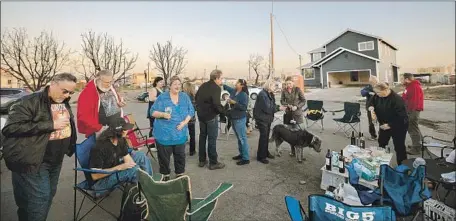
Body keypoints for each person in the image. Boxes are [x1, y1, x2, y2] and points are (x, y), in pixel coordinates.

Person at [2, 73, 78, 221]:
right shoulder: (28, 101)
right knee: (40, 200)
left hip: (56, 160)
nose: (67, 95)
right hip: (35, 160)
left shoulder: (63, 100)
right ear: (53, 84)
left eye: (71, 92)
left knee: (46, 195)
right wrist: (50, 125)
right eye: (65, 91)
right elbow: (10, 128)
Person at [89, 117, 153, 190]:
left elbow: (127, 158)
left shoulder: (120, 139)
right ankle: (140, 191)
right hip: (101, 182)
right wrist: (120, 167)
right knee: (134, 170)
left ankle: (149, 184)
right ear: (118, 132)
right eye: (125, 129)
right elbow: (95, 175)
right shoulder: (99, 148)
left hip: (115, 168)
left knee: (140, 155)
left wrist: (132, 165)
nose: (128, 130)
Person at [150, 76, 195, 181]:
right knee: (164, 158)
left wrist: (184, 123)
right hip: (164, 134)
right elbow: (152, 112)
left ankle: (179, 174)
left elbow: (191, 111)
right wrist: (163, 114)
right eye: (175, 84)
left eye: (179, 84)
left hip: (180, 133)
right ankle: (165, 174)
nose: (177, 86)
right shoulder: (162, 97)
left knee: (180, 156)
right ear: (170, 86)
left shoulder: (184, 97)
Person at [368, 82, 409, 165]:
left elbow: (402, 117)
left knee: (399, 147)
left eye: (378, 92)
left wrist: (390, 125)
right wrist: (371, 108)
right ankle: (381, 164)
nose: (376, 94)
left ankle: (402, 167)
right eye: (376, 93)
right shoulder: (377, 96)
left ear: (385, 90)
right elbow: (371, 102)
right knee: (382, 143)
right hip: (383, 124)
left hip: (398, 126)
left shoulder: (397, 99)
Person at [77, 70, 126, 138]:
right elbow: (83, 117)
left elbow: (113, 101)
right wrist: (100, 128)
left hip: (115, 127)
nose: (109, 84)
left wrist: (119, 103)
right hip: (101, 131)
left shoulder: (110, 87)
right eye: (106, 82)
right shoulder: (87, 93)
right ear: (97, 80)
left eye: (111, 82)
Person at [195, 69, 226, 170]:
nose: (222, 80)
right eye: (221, 78)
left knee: (203, 137)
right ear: (216, 78)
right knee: (212, 139)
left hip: (201, 116)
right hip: (211, 117)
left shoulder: (203, 85)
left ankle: (202, 160)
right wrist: (224, 112)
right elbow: (216, 104)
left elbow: (196, 98)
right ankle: (213, 162)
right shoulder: (216, 88)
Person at [223, 79, 250, 165]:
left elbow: (244, 108)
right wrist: (222, 83)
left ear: (242, 85)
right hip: (233, 118)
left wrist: (234, 102)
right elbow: (227, 87)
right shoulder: (234, 91)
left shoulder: (244, 95)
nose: (236, 83)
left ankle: (246, 158)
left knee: (242, 138)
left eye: (238, 83)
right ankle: (241, 154)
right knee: (239, 138)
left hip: (240, 119)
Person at [253, 79, 280, 164]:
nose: (275, 88)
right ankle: (261, 157)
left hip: (267, 118)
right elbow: (267, 109)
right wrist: (279, 108)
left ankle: (265, 152)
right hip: (262, 118)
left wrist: (279, 106)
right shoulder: (262, 94)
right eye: (274, 86)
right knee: (263, 137)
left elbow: (273, 105)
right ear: (269, 85)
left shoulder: (270, 94)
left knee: (266, 136)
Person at [280, 76, 306, 156]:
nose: (289, 85)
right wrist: (287, 105)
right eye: (287, 84)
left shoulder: (297, 90)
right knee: (290, 134)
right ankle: (293, 151)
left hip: (297, 114)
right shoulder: (284, 90)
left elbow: (303, 100)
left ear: (293, 83)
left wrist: (297, 106)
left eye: (290, 83)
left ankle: (300, 152)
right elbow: (281, 101)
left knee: (298, 133)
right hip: (288, 114)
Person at [401, 73, 424, 155]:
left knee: (412, 128)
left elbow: (414, 101)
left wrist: (409, 112)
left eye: (403, 78)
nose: (402, 80)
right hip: (411, 110)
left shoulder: (414, 87)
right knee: (414, 128)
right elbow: (405, 97)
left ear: (407, 79)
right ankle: (419, 145)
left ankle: (416, 148)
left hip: (413, 110)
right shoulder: (409, 86)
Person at [361, 76, 379, 140]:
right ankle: (373, 135)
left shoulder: (379, 86)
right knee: (371, 122)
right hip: (370, 108)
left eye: (374, 81)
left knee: (382, 121)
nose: (372, 82)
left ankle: (382, 135)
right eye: (371, 81)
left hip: (380, 107)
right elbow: (362, 92)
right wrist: (368, 92)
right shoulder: (368, 87)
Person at [182, 81, 197, 156]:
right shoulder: (194, 96)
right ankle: (192, 151)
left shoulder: (181, 96)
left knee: (183, 135)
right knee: (192, 135)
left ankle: (181, 151)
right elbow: (195, 108)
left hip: (183, 119)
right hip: (191, 118)